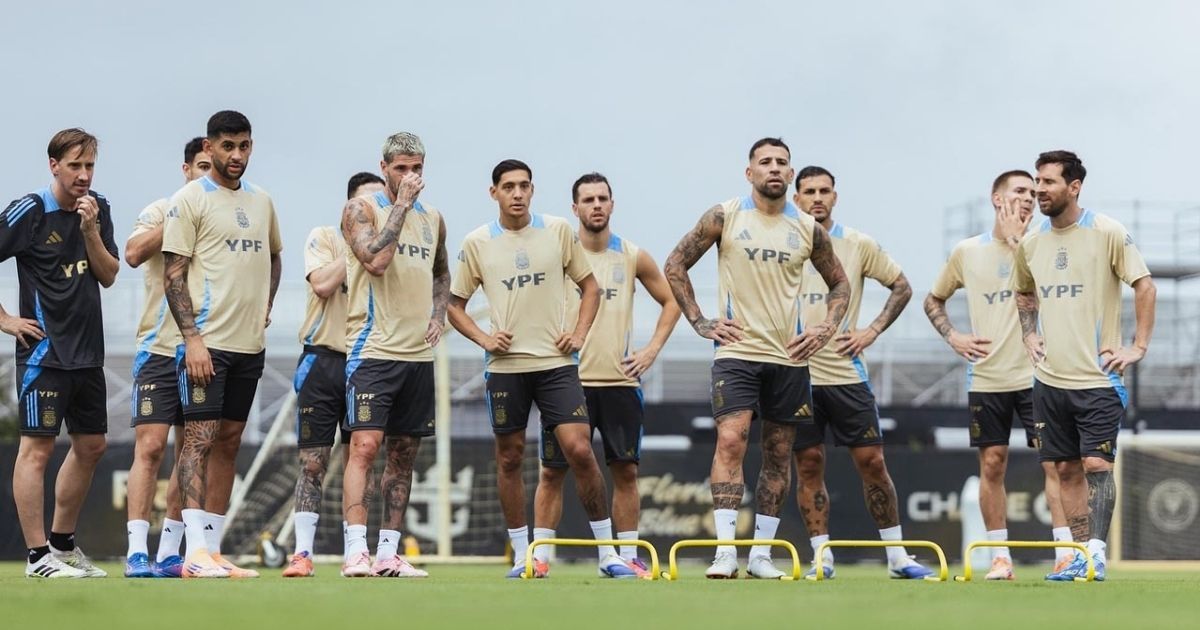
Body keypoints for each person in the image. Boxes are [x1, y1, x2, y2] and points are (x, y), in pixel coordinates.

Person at [663, 139, 849, 579]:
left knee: (779, 455)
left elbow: (840, 284)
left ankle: (761, 555)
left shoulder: (808, 228)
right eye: (765, 162)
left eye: (782, 163)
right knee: (731, 440)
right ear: (750, 173)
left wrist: (825, 329)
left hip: (789, 358)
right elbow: (675, 264)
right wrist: (699, 321)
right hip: (737, 352)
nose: (774, 168)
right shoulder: (725, 216)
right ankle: (725, 553)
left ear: (791, 174)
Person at [448, 159, 635, 579]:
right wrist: (484, 339)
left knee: (580, 450)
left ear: (532, 190)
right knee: (510, 458)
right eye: (508, 186)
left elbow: (590, 288)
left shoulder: (557, 231)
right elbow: (454, 306)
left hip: (556, 366)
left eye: (524, 186)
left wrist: (579, 333)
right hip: (506, 368)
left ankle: (608, 554)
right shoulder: (477, 242)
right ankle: (523, 555)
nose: (517, 193)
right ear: (494, 192)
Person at [1013, 150, 1156, 581]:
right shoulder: (1031, 241)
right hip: (1048, 380)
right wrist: (1029, 333)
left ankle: (1095, 555)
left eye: (1049, 182)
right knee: (1064, 468)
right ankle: (1078, 556)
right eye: (1037, 181)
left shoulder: (1107, 231)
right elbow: (1023, 292)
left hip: (1099, 379)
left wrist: (1138, 346)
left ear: (1074, 187)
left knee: (1096, 466)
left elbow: (1145, 287)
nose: (1039, 190)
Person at [925, 169, 1074, 580]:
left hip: (1039, 376)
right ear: (997, 199)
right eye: (1020, 191)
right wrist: (954, 336)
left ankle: (1066, 554)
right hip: (987, 378)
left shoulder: (1045, 244)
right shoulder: (967, 251)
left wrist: (1017, 243)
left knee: (1055, 464)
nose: (1029, 198)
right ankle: (999, 557)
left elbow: (1053, 292)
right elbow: (933, 299)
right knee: (992, 464)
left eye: (1033, 192)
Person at [532, 172, 681, 578]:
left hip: (620, 383)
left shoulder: (632, 255)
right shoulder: (558, 256)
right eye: (588, 199)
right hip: (566, 382)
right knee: (552, 471)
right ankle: (540, 558)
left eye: (602, 198)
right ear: (574, 208)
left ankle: (628, 555)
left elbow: (671, 302)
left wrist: (650, 351)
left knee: (626, 471)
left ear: (612, 204)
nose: (596, 205)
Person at [789, 166, 932, 579]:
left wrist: (871, 331)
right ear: (796, 199)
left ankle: (897, 557)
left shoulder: (857, 243)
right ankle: (821, 556)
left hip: (847, 374)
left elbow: (902, 286)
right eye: (809, 191)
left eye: (825, 191)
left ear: (835, 197)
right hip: (796, 375)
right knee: (809, 464)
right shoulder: (783, 242)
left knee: (872, 462)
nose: (817, 198)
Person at [162, 110, 282, 578]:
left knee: (229, 443)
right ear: (209, 148)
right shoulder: (189, 199)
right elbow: (173, 275)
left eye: (244, 146)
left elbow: (274, 257)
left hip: (250, 346)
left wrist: (266, 304)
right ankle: (192, 552)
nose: (236, 155)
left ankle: (212, 550)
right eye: (228, 146)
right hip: (205, 345)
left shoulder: (263, 201)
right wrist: (192, 339)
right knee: (198, 442)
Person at [3, 128, 119, 579]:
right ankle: (37, 558)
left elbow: (108, 274)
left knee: (92, 446)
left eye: (90, 166)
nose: (84, 175)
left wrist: (90, 231)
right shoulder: (31, 211)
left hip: (88, 353)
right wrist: (6, 320)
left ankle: (63, 544)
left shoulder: (98, 208)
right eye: (75, 166)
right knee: (37, 450)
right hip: (43, 355)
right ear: (54, 166)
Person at [339, 134, 449, 578]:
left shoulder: (434, 218)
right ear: (384, 167)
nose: (409, 176)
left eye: (416, 168)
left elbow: (442, 272)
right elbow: (376, 261)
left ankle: (388, 553)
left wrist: (438, 314)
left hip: (417, 356)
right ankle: (355, 550)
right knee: (364, 447)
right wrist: (401, 205)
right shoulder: (361, 209)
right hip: (373, 351)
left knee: (404, 457)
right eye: (401, 168)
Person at [281, 171, 387, 578]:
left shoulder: (390, 248)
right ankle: (302, 553)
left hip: (369, 362)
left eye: (380, 203)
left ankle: (356, 551)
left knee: (363, 458)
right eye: (366, 203)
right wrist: (359, 248)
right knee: (313, 462)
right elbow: (323, 285)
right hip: (323, 361)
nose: (373, 211)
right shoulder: (324, 237)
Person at [123, 137, 213, 578]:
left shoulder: (224, 216)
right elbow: (133, 253)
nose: (207, 174)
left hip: (206, 349)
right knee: (151, 447)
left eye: (212, 167)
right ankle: (136, 551)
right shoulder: (162, 209)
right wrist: (180, 218)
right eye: (201, 166)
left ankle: (171, 553)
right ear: (186, 169)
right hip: (158, 349)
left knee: (191, 451)